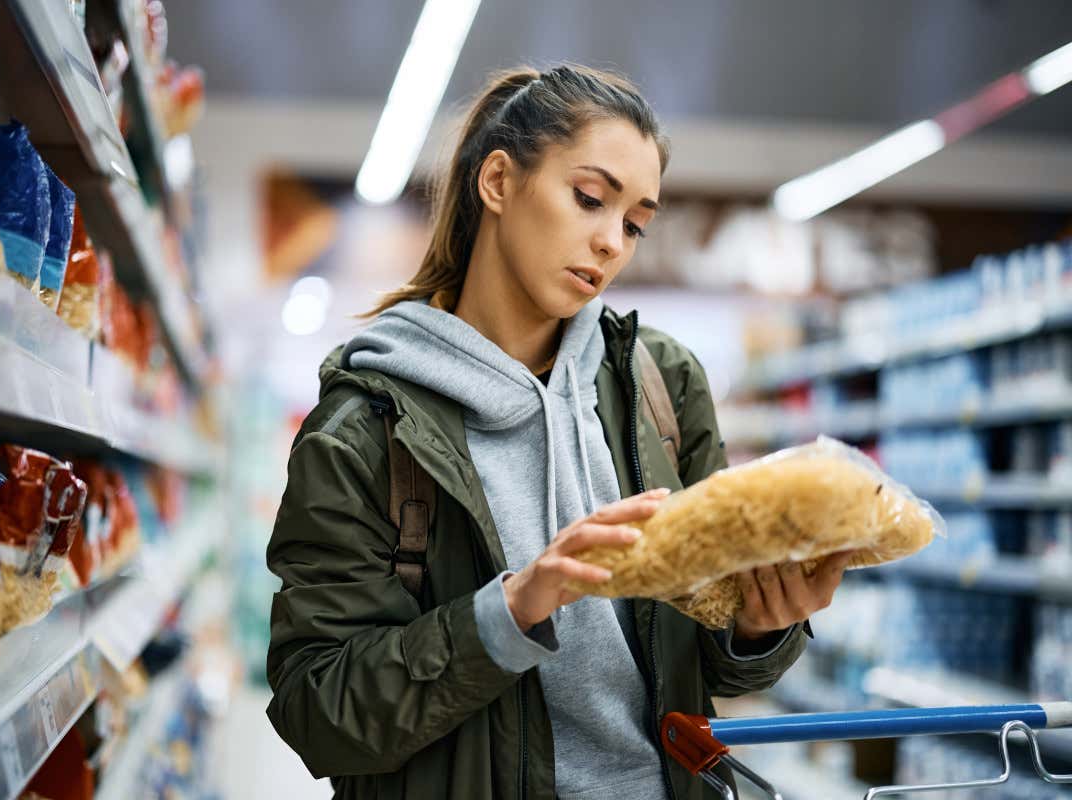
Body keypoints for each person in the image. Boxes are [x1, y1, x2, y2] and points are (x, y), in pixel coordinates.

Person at [266, 64, 851, 800]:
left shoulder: (660, 385)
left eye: (635, 222)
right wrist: (509, 613)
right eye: (589, 199)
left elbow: (714, 661)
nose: (612, 242)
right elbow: (315, 708)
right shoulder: (363, 427)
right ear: (499, 182)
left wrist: (762, 627)